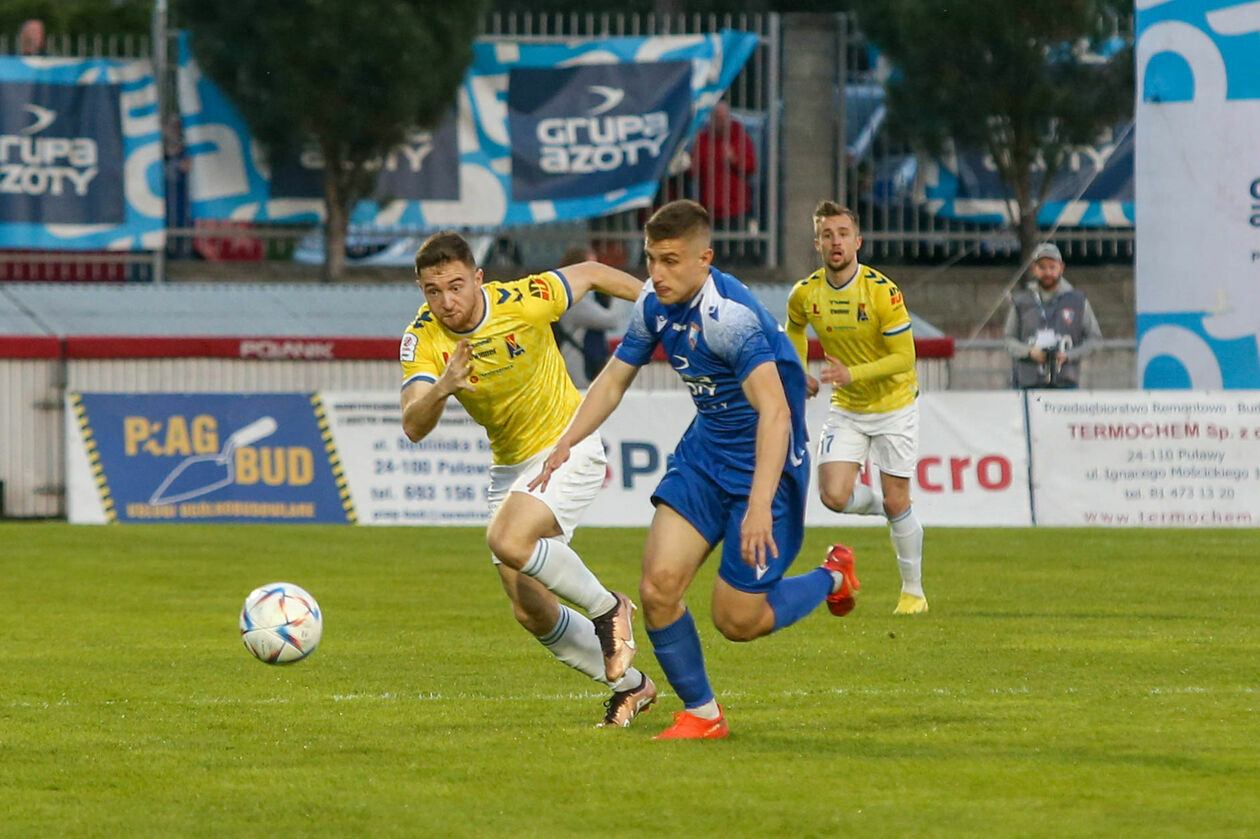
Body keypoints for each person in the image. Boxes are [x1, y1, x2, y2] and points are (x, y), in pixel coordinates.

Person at [530, 200, 860, 740]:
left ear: (704, 260)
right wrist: (566, 440)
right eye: (651, 259)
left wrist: (758, 505)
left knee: (737, 621)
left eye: (670, 261)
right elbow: (613, 379)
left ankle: (833, 576)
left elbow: (776, 414)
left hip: (766, 464)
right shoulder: (653, 303)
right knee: (658, 587)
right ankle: (704, 715)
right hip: (705, 455)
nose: (656, 273)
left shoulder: (727, 318)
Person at [399, 231, 655, 728]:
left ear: (478, 278)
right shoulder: (423, 337)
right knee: (529, 608)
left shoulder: (523, 299)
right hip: (511, 466)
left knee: (507, 539)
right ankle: (631, 686)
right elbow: (413, 424)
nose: (446, 301)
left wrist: (658, 301)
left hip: (568, 443)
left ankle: (609, 609)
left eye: (456, 286)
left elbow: (592, 274)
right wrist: (443, 387)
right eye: (433, 291)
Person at [785, 201, 928, 616]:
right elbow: (794, 328)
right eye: (827, 235)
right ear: (817, 243)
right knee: (833, 496)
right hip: (847, 407)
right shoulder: (805, 293)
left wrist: (853, 373)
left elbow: (905, 357)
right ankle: (894, 509)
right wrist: (797, 371)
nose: (836, 242)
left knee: (898, 499)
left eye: (843, 234)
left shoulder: (882, 292)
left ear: (858, 241)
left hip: (894, 405)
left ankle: (913, 593)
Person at [1004, 242, 1103, 389]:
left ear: (1061, 268)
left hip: (1066, 383)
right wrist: (1029, 352)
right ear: (1034, 269)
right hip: (1027, 383)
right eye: (1042, 267)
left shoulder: (1077, 301)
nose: (1048, 272)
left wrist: (1069, 355)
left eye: (1052, 267)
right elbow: (1008, 340)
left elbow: (1095, 340)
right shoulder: (1021, 301)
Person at [552, 246, 619, 388]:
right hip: (578, 365)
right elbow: (611, 320)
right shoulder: (575, 300)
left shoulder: (578, 296)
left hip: (582, 363)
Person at [690, 100, 757, 225]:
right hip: (709, 208)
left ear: (729, 118)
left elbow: (751, 167)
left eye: (723, 118)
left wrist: (734, 160)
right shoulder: (703, 139)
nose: (720, 122)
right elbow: (694, 171)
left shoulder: (740, 137)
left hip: (736, 209)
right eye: (716, 118)